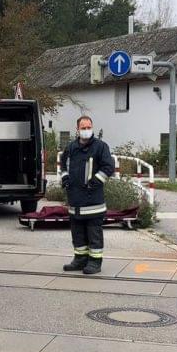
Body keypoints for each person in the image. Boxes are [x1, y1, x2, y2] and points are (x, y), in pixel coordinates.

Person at [60, 116, 115, 275]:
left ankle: (95, 262)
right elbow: (63, 165)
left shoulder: (100, 147)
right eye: (83, 128)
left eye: (88, 127)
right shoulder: (71, 148)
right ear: (77, 130)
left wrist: (95, 181)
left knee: (93, 234)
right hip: (75, 200)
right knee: (77, 233)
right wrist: (65, 178)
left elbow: (108, 167)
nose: (86, 130)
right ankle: (80, 259)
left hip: (93, 201)